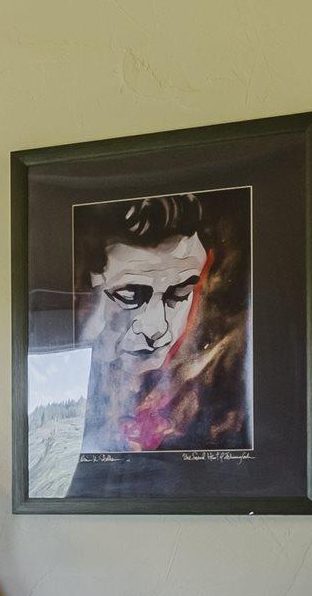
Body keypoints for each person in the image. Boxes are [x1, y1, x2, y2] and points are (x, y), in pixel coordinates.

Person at [75, 192, 247, 459]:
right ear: (83, 292)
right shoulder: (65, 403)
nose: (158, 330)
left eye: (178, 294)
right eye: (129, 296)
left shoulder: (218, 402)